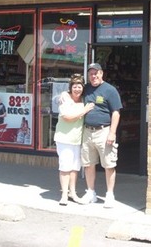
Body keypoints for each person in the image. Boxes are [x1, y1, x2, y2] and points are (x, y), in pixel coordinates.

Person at [80, 63, 123, 208]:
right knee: (88, 164)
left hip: (104, 131)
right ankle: (91, 193)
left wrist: (112, 132)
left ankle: (110, 195)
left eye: (96, 73)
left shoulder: (110, 90)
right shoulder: (85, 88)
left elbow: (116, 112)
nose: (93, 76)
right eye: (91, 73)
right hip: (87, 131)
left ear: (101, 73)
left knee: (108, 164)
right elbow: (73, 94)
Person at [53, 74, 94, 206]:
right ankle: (64, 194)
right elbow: (67, 117)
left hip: (77, 139)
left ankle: (73, 193)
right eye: (75, 86)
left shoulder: (83, 99)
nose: (77, 89)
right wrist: (85, 110)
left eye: (79, 86)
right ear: (70, 88)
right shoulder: (65, 98)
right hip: (64, 138)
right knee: (65, 167)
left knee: (75, 168)